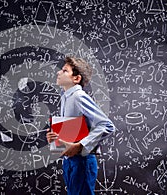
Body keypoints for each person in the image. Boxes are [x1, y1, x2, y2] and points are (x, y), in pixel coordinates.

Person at [46, 56, 115, 195]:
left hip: (82, 161)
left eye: (65, 71)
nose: (59, 72)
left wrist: (80, 145)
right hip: (70, 161)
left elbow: (107, 125)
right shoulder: (65, 96)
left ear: (76, 78)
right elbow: (75, 129)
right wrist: (55, 137)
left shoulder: (78, 96)